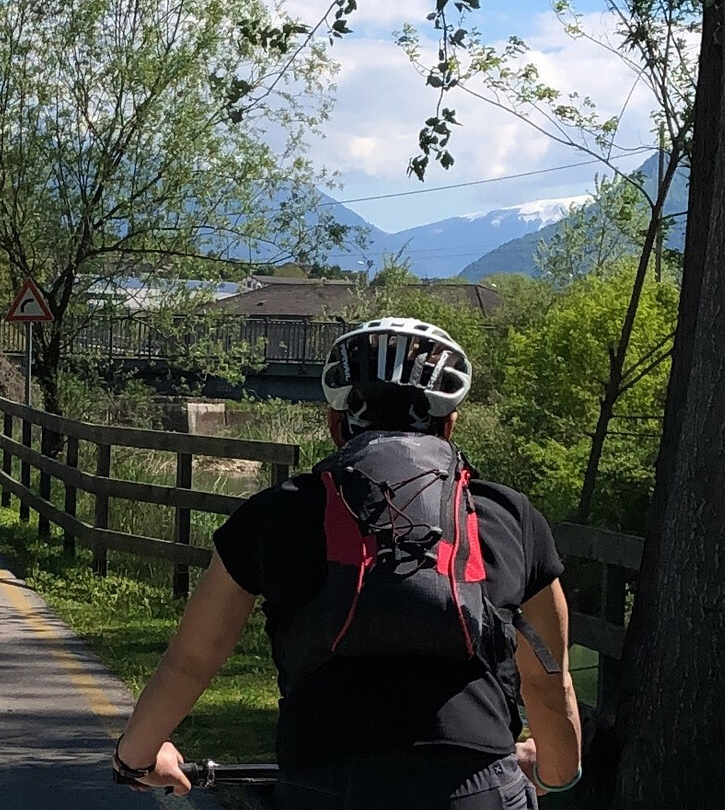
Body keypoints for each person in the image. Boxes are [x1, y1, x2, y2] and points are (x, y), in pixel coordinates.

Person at [111, 318, 582, 809]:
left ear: (336, 425)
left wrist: (137, 756)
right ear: (449, 425)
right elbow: (548, 682)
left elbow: (191, 661)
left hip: (326, 785)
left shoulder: (276, 514)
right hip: (476, 785)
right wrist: (555, 774)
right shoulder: (510, 518)